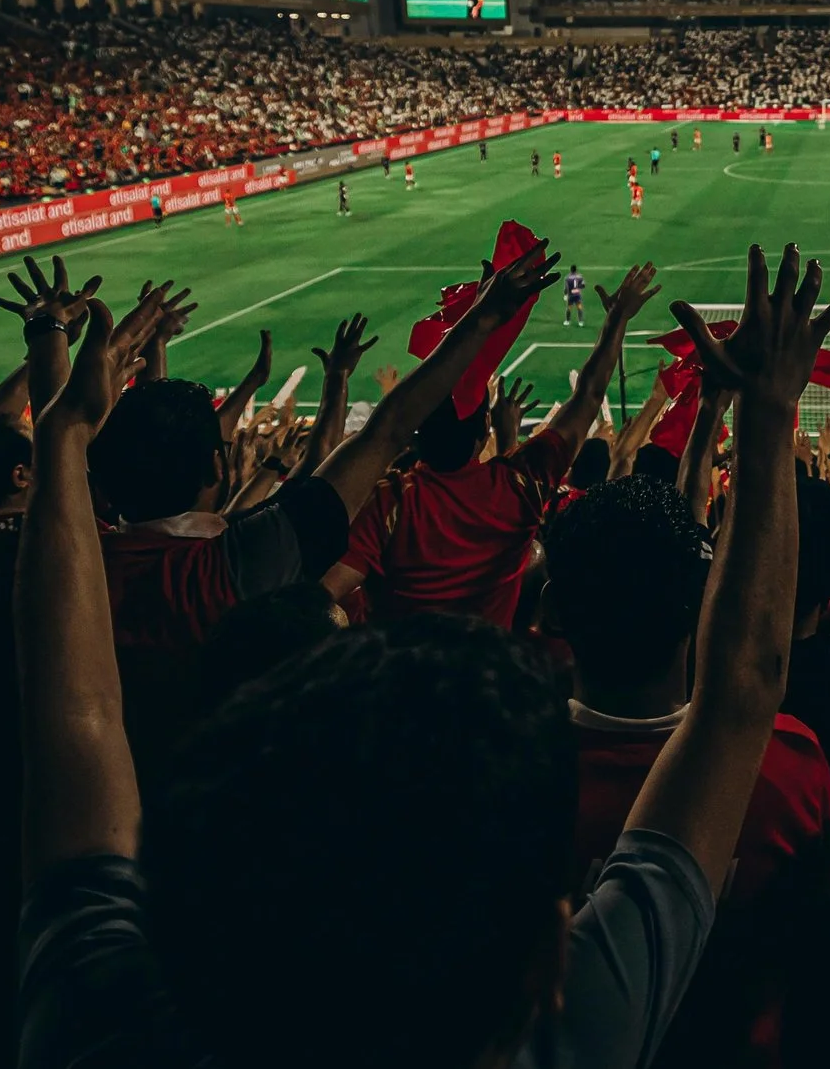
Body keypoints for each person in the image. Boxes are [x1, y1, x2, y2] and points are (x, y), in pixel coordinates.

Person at [10, 245, 830, 1069]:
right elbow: (744, 689)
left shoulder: (107, 1066)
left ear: (202, 917)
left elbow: (79, 716)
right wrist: (766, 411)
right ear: (547, 963)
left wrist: (62, 433)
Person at [89, 260, 548, 765]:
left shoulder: (73, 567)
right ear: (216, 468)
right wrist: (482, 321)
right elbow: (386, 432)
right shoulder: (240, 562)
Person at [546, 475, 830, 1069]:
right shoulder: (787, 761)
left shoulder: (504, 772)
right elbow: (822, 945)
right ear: (698, 604)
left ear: (553, 609)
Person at [327, 264, 659, 630]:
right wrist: (617, 319)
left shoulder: (388, 502)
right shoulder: (522, 483)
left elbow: (323, 595)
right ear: (484, 431)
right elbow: (589, 395)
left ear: (415, 429)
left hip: (404, 681)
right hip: (489, 678)